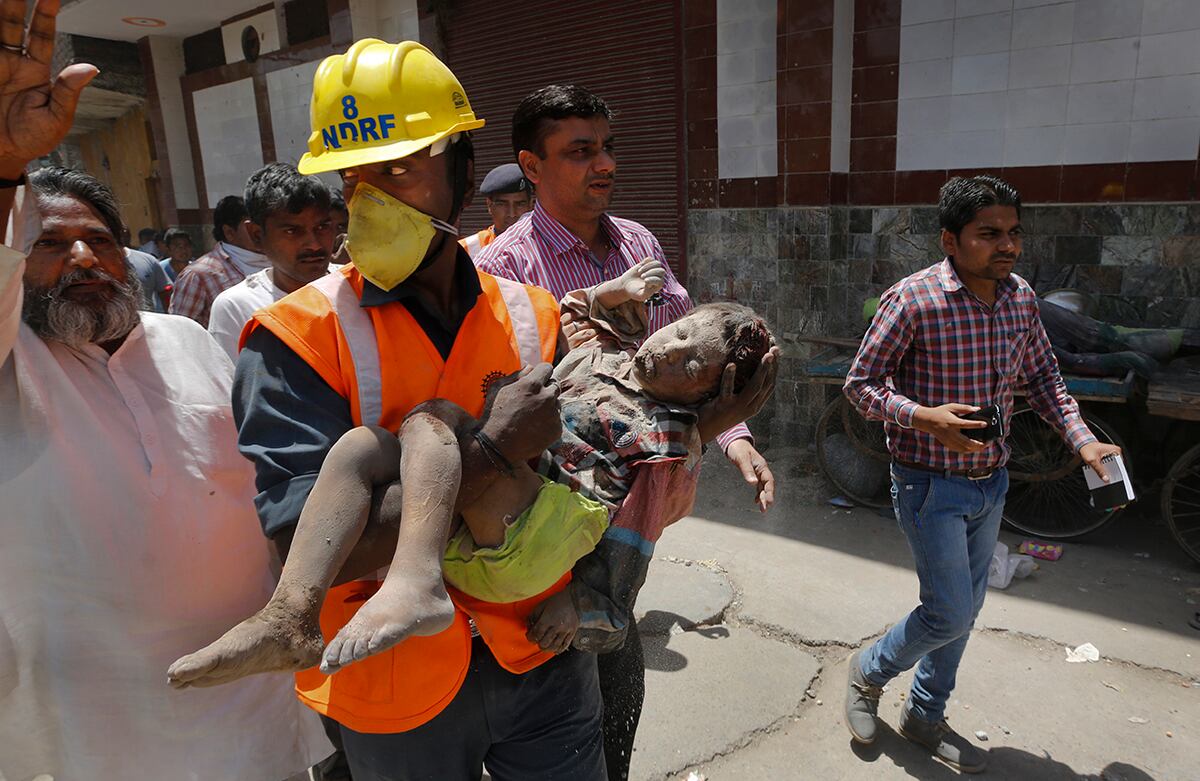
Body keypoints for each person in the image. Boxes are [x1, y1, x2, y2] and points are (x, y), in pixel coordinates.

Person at [229, 39, 608, 780]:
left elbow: (587, 476)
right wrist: (492, 453)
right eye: (357, 173)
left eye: (402, 166)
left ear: (462, 170)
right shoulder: (293, 338)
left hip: (539, 650)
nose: (374, 194)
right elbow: (300, 542)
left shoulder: (534, 313)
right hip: (391, 683)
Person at [169, 259, 775, 682]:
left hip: (535, 539)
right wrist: (615, 290)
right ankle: (290, 614)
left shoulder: (670, 436)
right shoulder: (604, 353)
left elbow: (638, 533)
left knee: (458, 431)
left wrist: (589, 606)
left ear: (709, 393)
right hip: (497, 516)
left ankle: (413, 581)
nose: (670, 348)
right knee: (363, 445)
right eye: (681, 327)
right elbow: (576, 308)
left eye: (692, 359)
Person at [0, 6, 330, 777]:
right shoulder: (19, 365)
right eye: (49, 245)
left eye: (100, 238)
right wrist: (4, 164)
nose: (82, 255)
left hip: (250, 697)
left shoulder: (190, 339)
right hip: (103, 723)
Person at [473, 83, 777, 780]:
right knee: (561, 695)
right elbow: (512, 405)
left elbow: (701, 342)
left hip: (637, 501)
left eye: (607, 147)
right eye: (581, 151)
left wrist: (735, 437)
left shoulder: (637, 242)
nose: (603, 164)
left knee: (615, 698)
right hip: (545, 520)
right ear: (532, 164)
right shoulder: (501, 267)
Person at [842, 175, 1123, 773]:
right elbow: (860, 386)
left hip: (991, 482)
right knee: (947, 611)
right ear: (951, 238)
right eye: (989, 234)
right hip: (928, 482)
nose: (1008, 246)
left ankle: (924, 712)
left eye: (1014, 233)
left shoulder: (1020, 298)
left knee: (964, 610)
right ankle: (867, 673)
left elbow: (1044, 381)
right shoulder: (913, 300)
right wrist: (923, 417)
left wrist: (1085, 442)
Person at [208, 163, 338, 360]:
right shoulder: (238, 308)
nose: (313, 244)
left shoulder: (356, 288)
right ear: (257, 235)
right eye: (292, 231)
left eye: (322, 227)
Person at [170, 194, 270, 327]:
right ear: (229, 232)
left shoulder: (281, 261)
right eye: (251, 227)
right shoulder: (198, 275)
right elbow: (181, 332)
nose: (260, 232)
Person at [459, 162, 532, 258]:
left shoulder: (545, 247)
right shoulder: (466, 250)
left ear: (531, 205)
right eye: (502, 204)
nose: (512, 214)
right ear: (489, 205)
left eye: (520, 204)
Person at [122, 226, 172, 311]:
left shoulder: (148, 260)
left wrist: (170, 318)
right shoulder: (95, 264)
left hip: (148, 321)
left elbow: (166, 292)